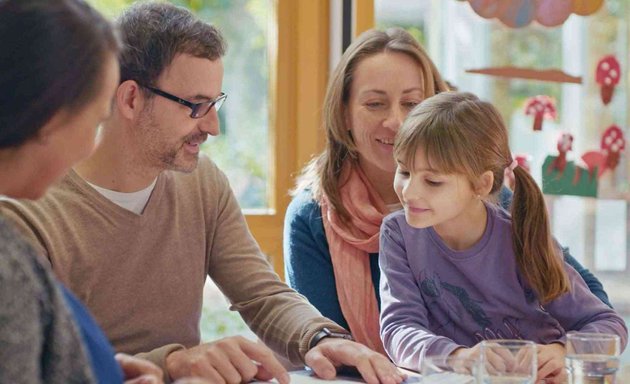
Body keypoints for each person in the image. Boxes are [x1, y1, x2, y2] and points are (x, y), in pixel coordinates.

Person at [0, 2, 404, 384]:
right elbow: (47, 362)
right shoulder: (26, 209)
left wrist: (321, 339)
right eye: (195, 105)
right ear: (129, 98)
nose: (212, 126)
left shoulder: (201, 182)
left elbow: (261, 293)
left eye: (215, 103)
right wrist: (172, 362)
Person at [283, 27, 611, 356]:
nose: (396, 121)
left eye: (412, 103)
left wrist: (557, 351)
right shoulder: (323, 219)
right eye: (374, 103)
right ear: (345, 114)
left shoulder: (489, 203)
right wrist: (457, 359)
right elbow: (325, 343)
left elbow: (590, 306)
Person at [379, 91, 627, 382]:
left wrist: (562, 352)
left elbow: (608, 325)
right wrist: (458, 357)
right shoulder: (398, 234)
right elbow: (399, 328)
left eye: (433, 181)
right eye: (405, 171)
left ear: (481, 184)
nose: (409, 192)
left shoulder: (521, 237)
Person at [0, 0, 164, 383]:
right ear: (51, 118)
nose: (92, 146)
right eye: (97, 122)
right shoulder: (7, 266)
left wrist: (84, 368)